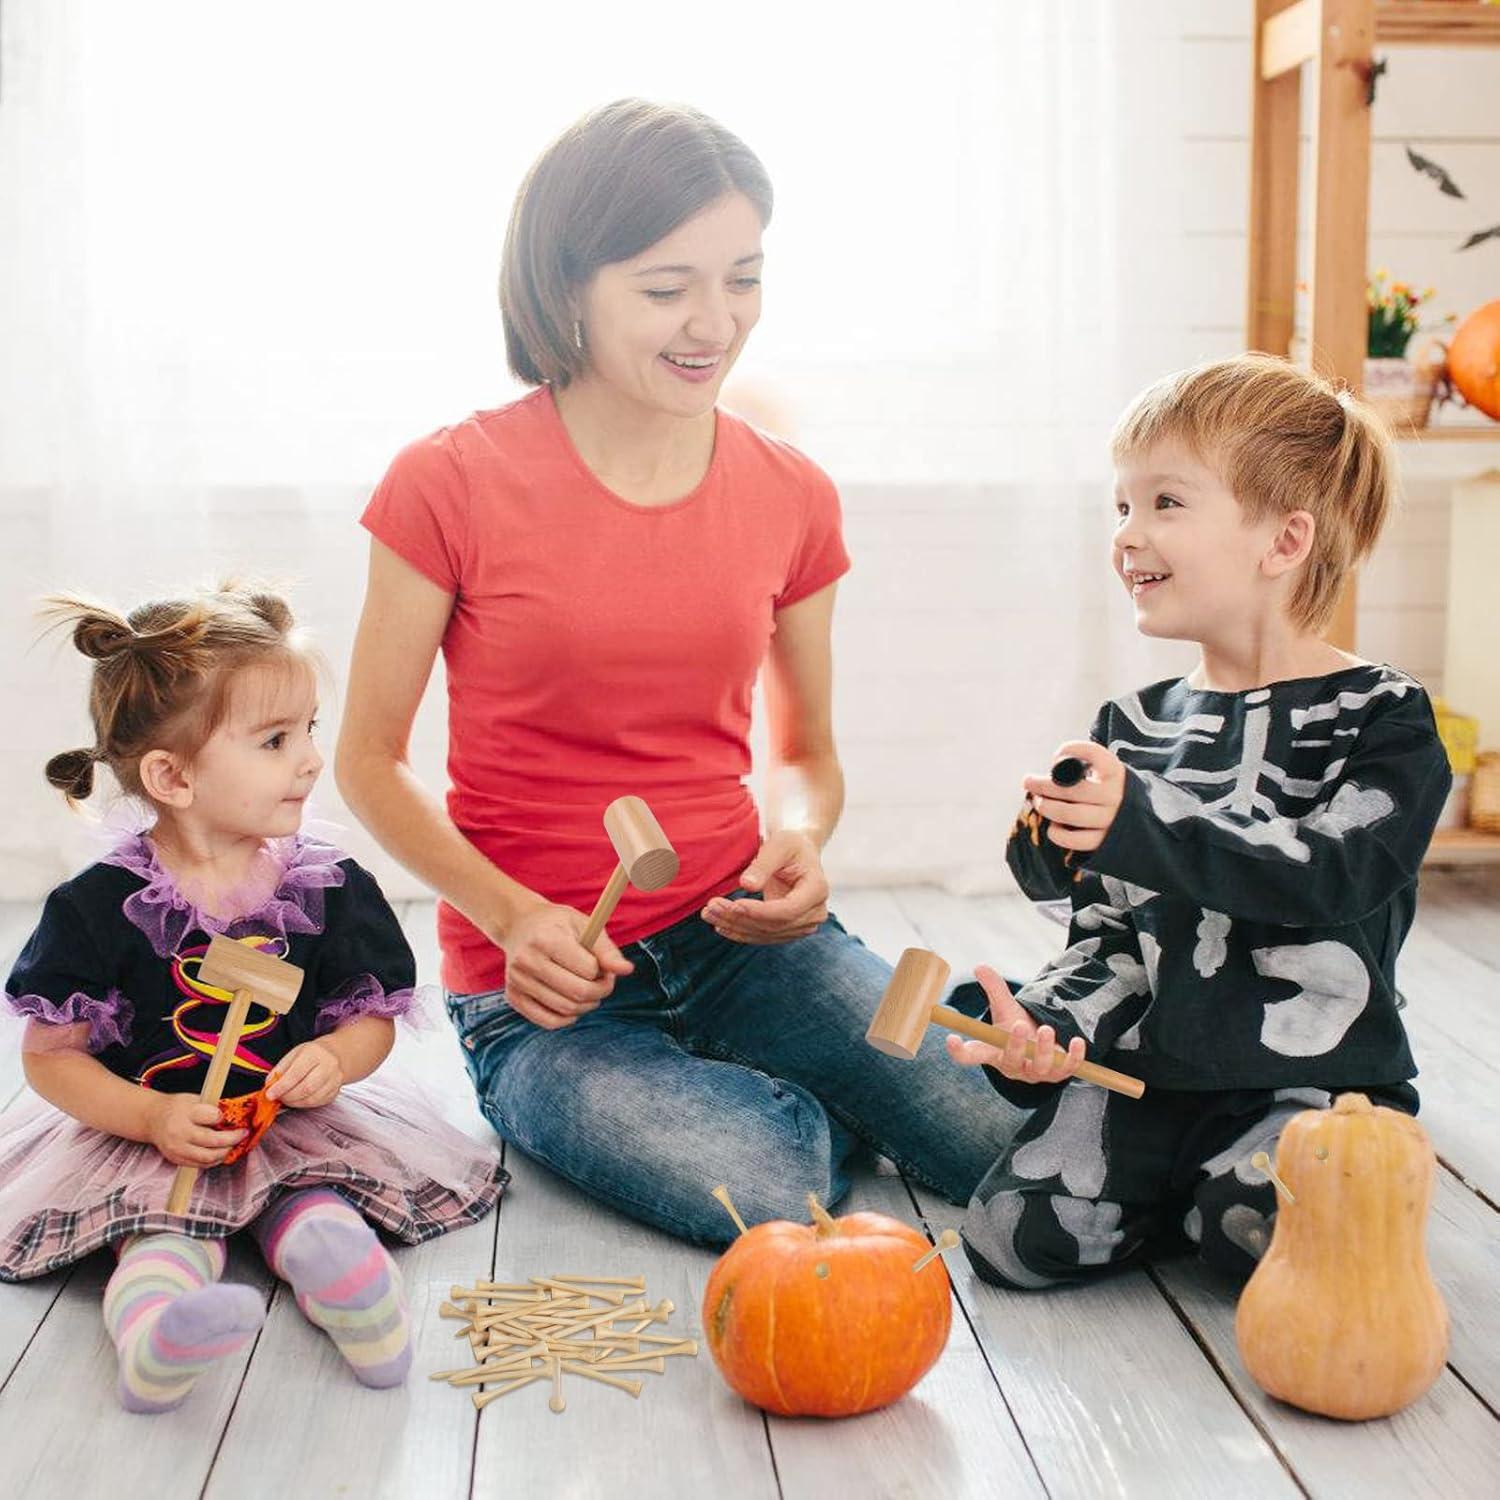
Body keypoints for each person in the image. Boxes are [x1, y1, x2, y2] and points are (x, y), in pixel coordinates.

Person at [337, 98, 1026, 1246]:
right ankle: (777, 1091)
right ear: (568, 287)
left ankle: (795, 1065)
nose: (715, 323)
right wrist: (510, 919)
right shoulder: (447, 481)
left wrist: (803, 839)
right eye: (667, 289)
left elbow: (806, 756)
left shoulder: (792, 491)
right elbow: (367, 762)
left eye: (743, 278)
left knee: (993, 1137)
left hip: (744, 940)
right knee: (762, 1189)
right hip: (547, 994)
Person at [946, 354, 1450, 1287]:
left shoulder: (1384, 716)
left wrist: (1141, 822)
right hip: (1151, 1078)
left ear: (1284, 541)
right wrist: (1051, 1032)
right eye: (1121, 507)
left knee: (1249, 1223)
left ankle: (1234, 1188)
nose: (1128, 534)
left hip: (1315, 1082)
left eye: (1165, 503)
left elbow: (1331, 877)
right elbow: (1105, 938)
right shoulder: (1128, 729)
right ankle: (1177, 1186)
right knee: (1012, 1239)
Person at [1, 584, 504, 1411]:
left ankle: (361, 1301)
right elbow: (51, 1061)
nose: (310, 758)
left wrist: (334, 1059)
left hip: (288, 1123)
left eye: (307, 730)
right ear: (172, 775)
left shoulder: (327, 888)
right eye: (274, 740)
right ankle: (155, 1341)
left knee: (319, 1207)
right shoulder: (97, 908)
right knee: (158, 1235)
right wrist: (150, 1118)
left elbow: (371, 1017)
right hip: (153, 1130)